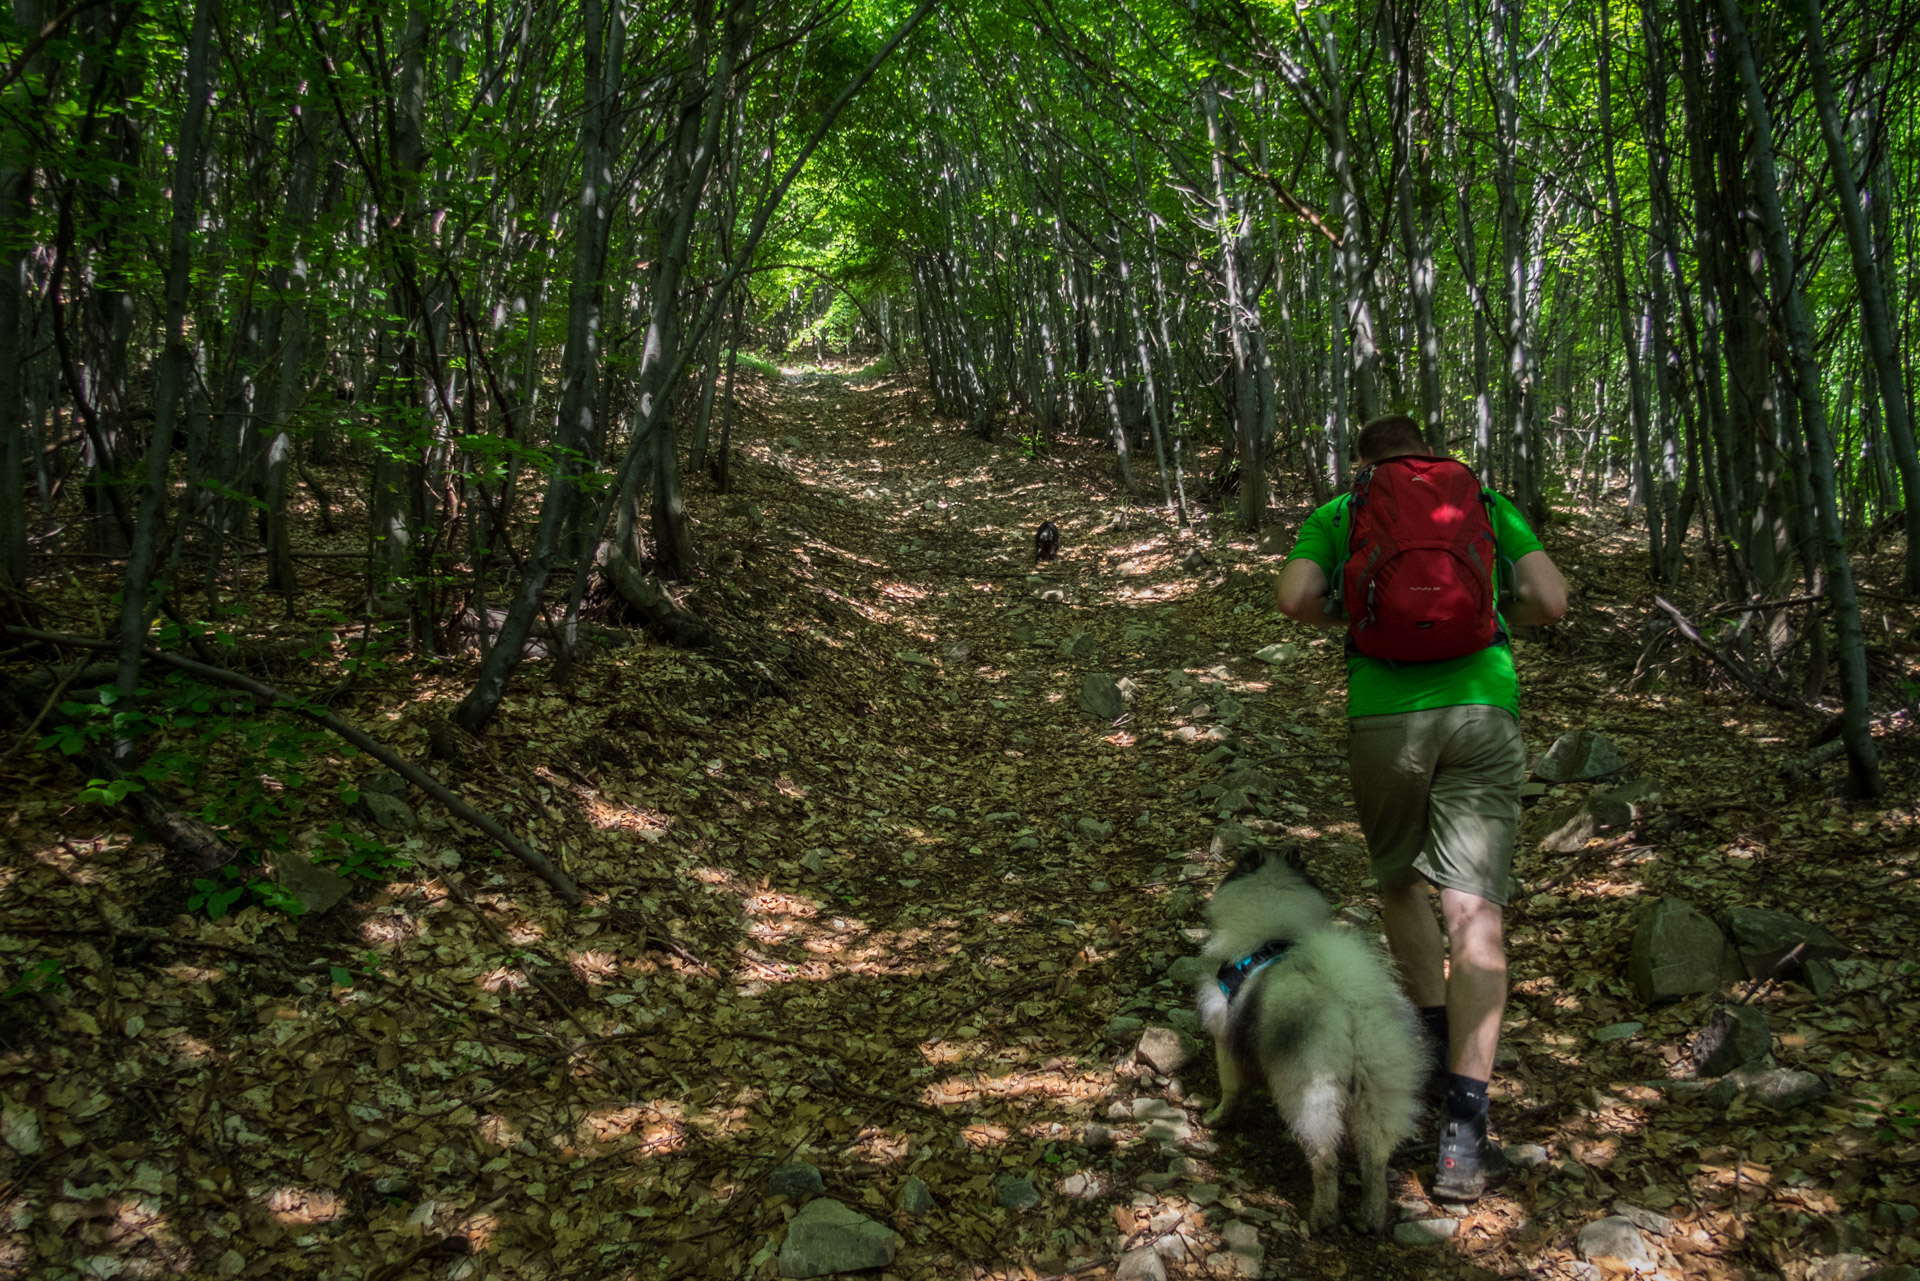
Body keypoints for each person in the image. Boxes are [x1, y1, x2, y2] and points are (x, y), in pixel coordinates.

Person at [1272, 413, 1568, 1202]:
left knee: (1400, 879)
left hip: (1382, 714)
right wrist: (1495, 620)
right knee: (1476, 914)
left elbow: (1295, 597)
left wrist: (1360, 620)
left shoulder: (1344, 510)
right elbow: (1551, 596)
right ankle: (1465, 1138)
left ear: (1364, 461)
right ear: (1428, 453)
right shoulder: (1482, 499)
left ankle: (1434, 1045)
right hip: (1483, 708)